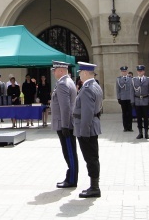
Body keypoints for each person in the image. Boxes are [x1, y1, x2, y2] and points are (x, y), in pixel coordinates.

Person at [73, 62, 103, 198]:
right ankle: (94, 185)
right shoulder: (95, 86)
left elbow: (87, 113)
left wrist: (84, 132)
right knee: (93, 158)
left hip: (87, 129)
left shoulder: (87, 89)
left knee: (90, 158)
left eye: (80, 73)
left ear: (85, 73)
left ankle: (94, 187)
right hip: (93, 127)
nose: (79, 75)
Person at [50, 61, 78, 189]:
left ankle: (71, 179)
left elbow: (65, 107)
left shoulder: (62, 84)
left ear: (60, 70)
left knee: (69, 153)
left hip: (64, 124)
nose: (53, 72)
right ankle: (70, 177)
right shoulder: (68, 82)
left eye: (54, 70)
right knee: (69, 151)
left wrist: (65, 126)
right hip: (65, 123)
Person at [132, 65, 149, 140]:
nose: (140, 72)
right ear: (137, 71)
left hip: (145, 100)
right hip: (137, 100)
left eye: (141, 71)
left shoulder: (148, 79)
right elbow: (132, 91)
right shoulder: (134, 80)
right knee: (138, 118)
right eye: (138, 71)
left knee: (146, 118)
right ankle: (140, 133)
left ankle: (146, 133)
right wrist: (132, 101)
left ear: (144, 71)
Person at [115, 66, 133, 132]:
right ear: (121, 72)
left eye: (125, 71)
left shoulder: (130, 79)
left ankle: (130, 127)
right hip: (122, 98)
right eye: (123, 71)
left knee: (130, 113)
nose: (124, 72)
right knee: (124, 113)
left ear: (127, 72)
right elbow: (117, 89)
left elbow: (133, 89)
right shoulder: (118, 79)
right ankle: (125, 127)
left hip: (129, 98)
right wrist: (118, 98)